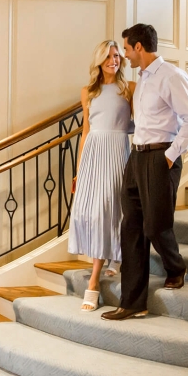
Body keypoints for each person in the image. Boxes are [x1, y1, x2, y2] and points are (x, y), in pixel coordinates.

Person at [102, 23, 188, 321]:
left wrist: (171, 156)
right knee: (131, 226)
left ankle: (176, 267)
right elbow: (146, 121)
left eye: (126, 48)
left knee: (155, 225)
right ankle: (132, 303)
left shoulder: (171, 76)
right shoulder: (143, 79)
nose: (124, 54)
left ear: (138, 47)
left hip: (162, 156)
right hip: (137, 157)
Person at [68, 40, 134, 311]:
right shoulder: (88, 92)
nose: (113, 60)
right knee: (92, 212)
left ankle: (93, 281)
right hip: (94, 154)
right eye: (108, 56)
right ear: (99, 60)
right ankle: (111, 259)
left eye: (117, 55)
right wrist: (79, 168)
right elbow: (85, 132)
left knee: (113, 208)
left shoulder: (129, 89)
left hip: (118, 150)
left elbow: (139, 124)